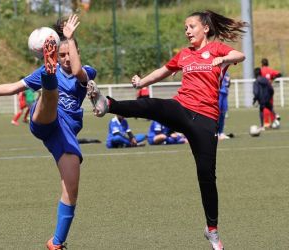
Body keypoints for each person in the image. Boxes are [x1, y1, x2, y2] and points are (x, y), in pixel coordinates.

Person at [88, 10, 246, 250]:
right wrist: (141, 83)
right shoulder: (183, 55)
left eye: (191, 26)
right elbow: (163, 71)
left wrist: (224, 60)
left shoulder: (216, 49)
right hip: (182, 107)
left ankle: (212, 230)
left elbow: (240, 54)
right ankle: (107, 104)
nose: (187, 31)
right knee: (154, 106)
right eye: (185, 27)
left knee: (206, 175)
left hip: (206, 119)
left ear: (205, 28)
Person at [0, 15, 96, 250]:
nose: (65, 58)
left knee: (71, 189)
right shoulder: (48, 69)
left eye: (67, 54)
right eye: (60, 55)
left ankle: (56, 243)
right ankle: (48, 79)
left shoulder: (86, 72)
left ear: (75, 51)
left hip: (65, 134)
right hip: (45, 120)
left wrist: (70, 38)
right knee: (50, 95)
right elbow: (13, 87)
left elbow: (76, 70)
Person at [260, 58, 282, 127]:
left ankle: (266, 123)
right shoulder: (270, 70)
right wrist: (272, 79)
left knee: (265, 106)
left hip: (263, 90)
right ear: (267, 63)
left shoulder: (261, 71)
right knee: (271, 106)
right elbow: (279, 74)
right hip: (270, 90)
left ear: (262, 64)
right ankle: (273, 121)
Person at [218, 71, 231, 140]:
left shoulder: (227, 72)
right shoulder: (217, 70)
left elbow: (228, 83)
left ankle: (221, 132)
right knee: (217, 114)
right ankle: (215, 133)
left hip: (225, 94)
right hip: (218, 93)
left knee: (223, 114)